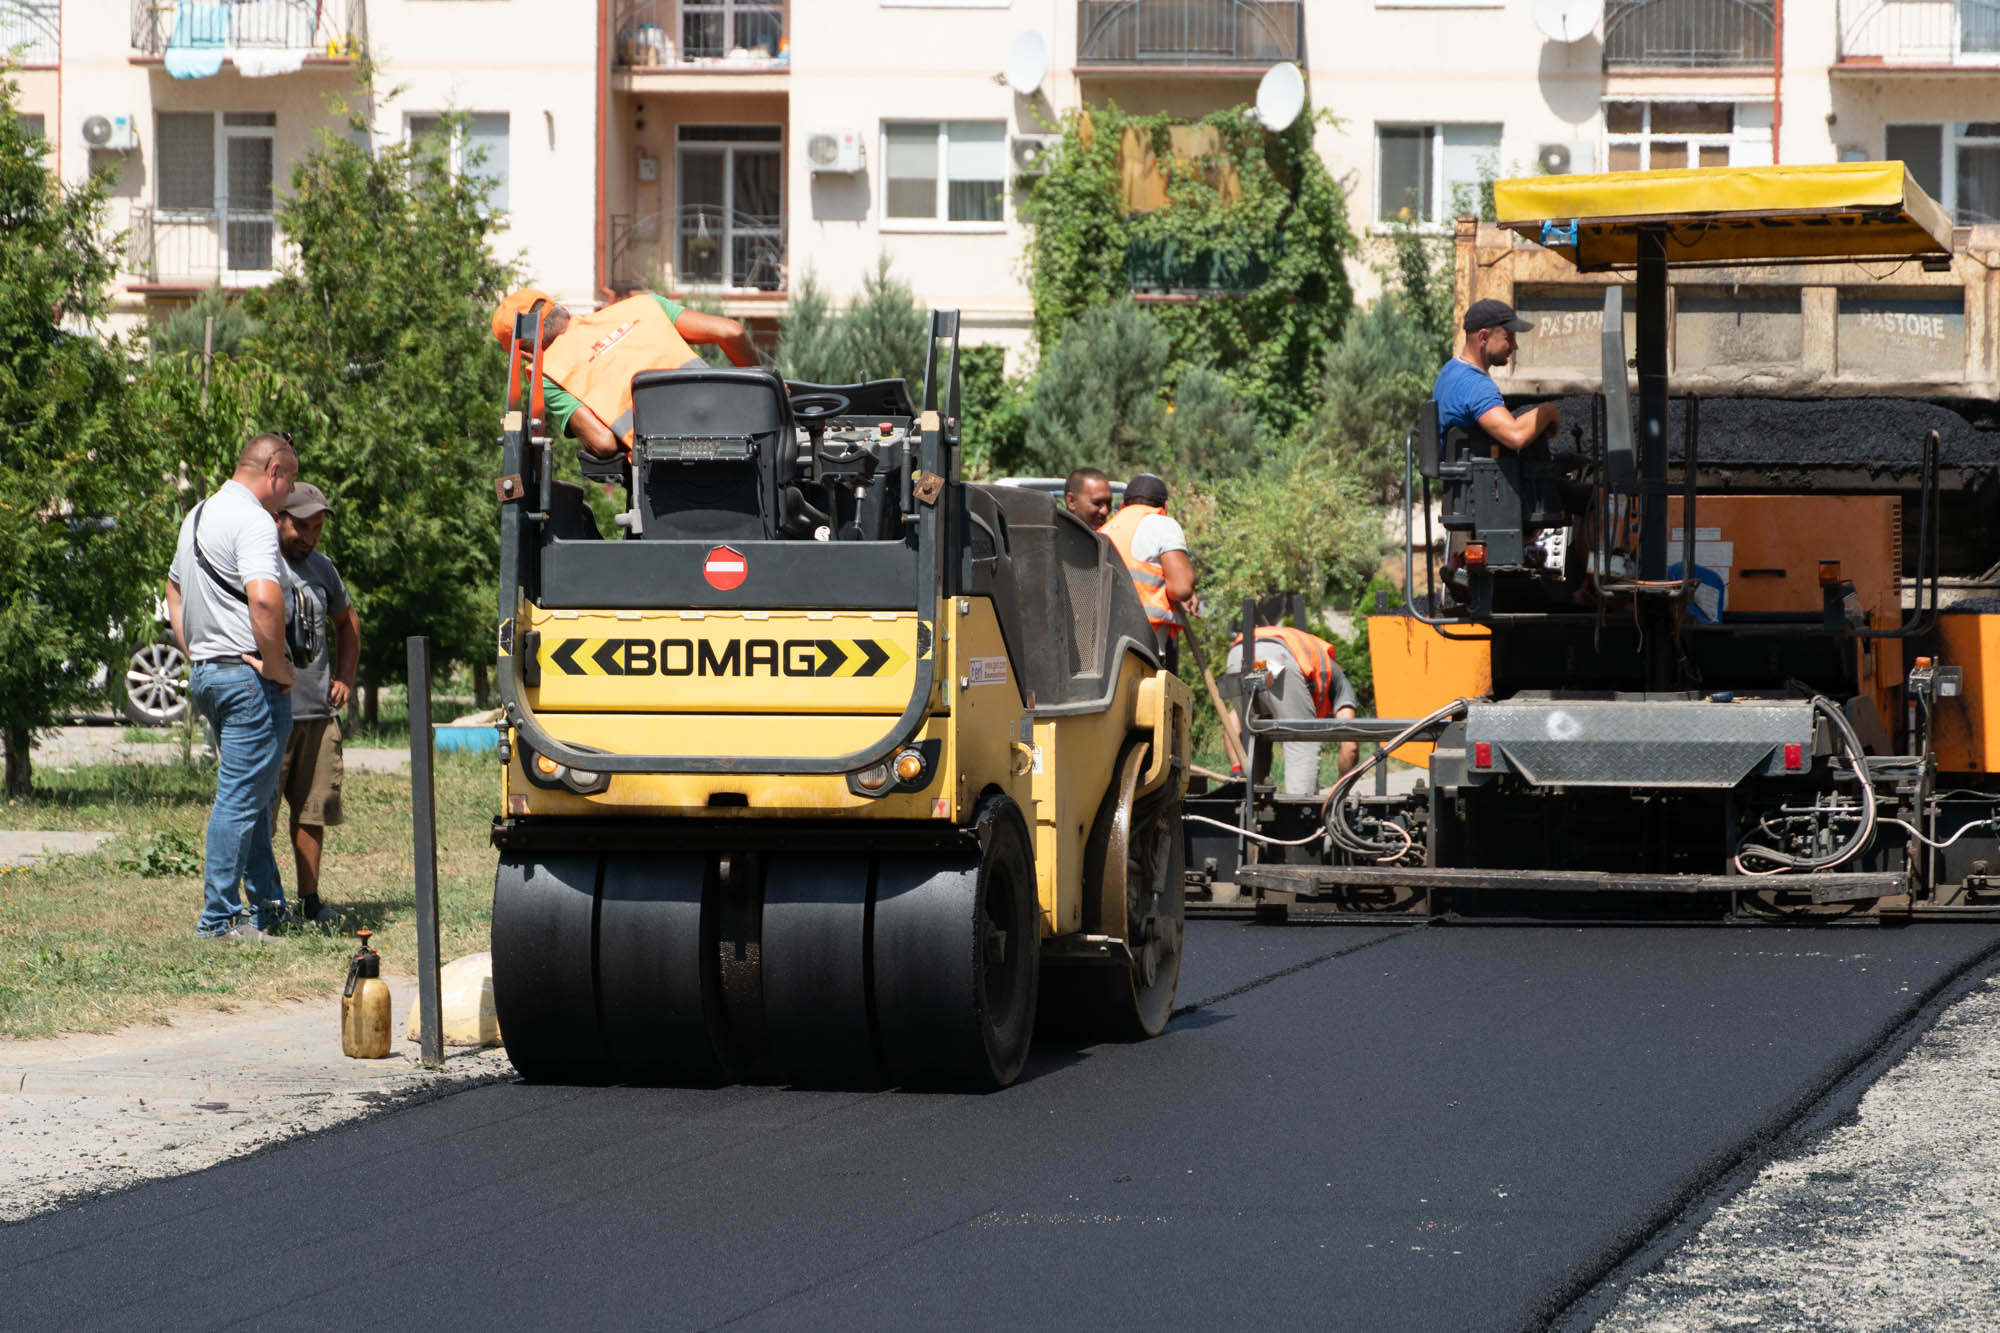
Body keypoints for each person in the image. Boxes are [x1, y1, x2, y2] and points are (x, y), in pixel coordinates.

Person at [166, 433, 299, 942]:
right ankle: (218, 920)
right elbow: (264, 599)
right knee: (240, 799)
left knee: (255, 795)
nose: (290, 495)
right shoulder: (253, 520)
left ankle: (269, 911)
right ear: (274, 471)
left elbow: (174, 587)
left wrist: (197, 650)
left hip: (210, 674)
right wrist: (277, 666)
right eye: (290, 482)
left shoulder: (198, 515)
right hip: (248, 680)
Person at [490, 287, 760, 459]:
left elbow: (603, 444)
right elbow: (732, 333)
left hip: (666, 475)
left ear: (523, 352)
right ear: (564, 311)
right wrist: (766, 399)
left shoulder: (549, 373)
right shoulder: (644, 305)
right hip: (738, 441)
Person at [271, 482, 359, 926]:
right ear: (278, 519)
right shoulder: (260, 561)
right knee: (259, 815)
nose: (308, 537)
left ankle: (309, 901)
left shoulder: (323, 569)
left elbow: (348, 623)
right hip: (270, 710)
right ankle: (263, 904)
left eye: (317, 528)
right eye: (300, 526)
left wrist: (344, 677)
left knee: (312, 812)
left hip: (318, 714)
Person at [1225, 625, 1360, 794]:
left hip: (1237, 655)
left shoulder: (1314, 665)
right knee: (1302, 738)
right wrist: (1338, 792)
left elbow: (1233, 720)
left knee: (1254, 730)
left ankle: (1250, 794)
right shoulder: (1339, 682)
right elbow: (1350, 746)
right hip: (1279, 658)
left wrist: (1237, 768)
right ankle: (1298, 805)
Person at [1433, 298, 1560, 448]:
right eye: (1509, 338)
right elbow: (1515, 436)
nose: (1515, 346)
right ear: (1483, 337)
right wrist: (1548, 411)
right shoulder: (1475, 384)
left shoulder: (1450, 369)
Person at [1101, 473, 1197, 666]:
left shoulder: (1106, 528)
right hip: (1144, 638)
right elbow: (1181, 589)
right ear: (1165, 505)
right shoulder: (1163, 524)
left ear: (1124, 503)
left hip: (1104, 640)